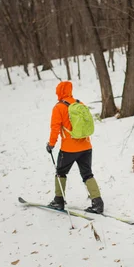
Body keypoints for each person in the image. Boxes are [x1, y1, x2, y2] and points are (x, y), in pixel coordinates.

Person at [46, 80, 104, 214]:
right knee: (87, 174)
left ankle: (58, 201)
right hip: (86, 146)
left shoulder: (59, 107)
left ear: (59, 92)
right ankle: (98, 203)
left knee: (60, 172)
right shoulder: (79, 103)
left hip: (69, 149)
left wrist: (51, 144)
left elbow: (55, 128)